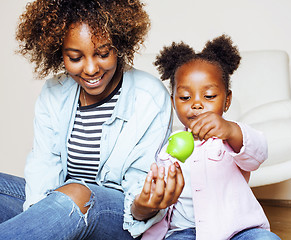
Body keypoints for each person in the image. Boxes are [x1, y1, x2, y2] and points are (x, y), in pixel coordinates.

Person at [0, 0, 184, 239]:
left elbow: (140, 183)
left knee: (76, 193)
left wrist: (144, 205)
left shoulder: (148, 95)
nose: (90, 69)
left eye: (103, 53)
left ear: (119, 44)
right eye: (75, 58)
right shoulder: (54, 92)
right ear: (59, 53)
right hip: (61, 205)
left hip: (122, 216)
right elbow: (43, 167)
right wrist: (47, 223)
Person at [142, 35, 281, 240]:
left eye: (208, 96)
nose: (197, 104)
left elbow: (258, 153)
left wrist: (231, 130)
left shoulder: (232, 138)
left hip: (238, 231)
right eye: (185, 97)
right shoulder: (167, 147)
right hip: (185, 232)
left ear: (227, 101)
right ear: (173, 102)